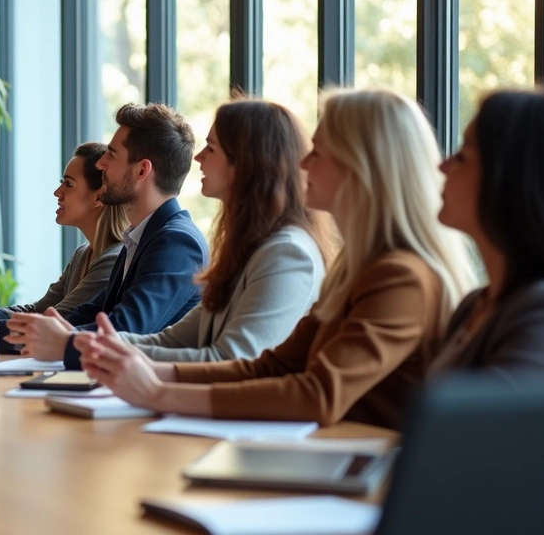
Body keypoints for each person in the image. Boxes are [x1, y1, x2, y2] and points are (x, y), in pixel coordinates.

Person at [78, 89, 476, 430]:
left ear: (362, 168)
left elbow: (318, 393)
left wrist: (157, 391)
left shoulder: (400, 275)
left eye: (319, 153)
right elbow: (270, 366)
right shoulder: (357, 270)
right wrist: (135, 369)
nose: (303, 163)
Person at [107, 99, 334, 368]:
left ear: (247, 163)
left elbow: (230, 359)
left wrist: (93, 349)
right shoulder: (249, 250)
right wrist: (82, 345)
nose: (199, 157)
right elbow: (169, 341)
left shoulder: (288, 253)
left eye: (211, 148)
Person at [6, 103, 208, 364]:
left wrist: (60, 340)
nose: (101, 164)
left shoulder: (178, 242)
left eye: (111, 155)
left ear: (142, 171)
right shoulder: (139, 238)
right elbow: (89, 314)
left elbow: (126, 328)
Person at [0, 142, 129, 338]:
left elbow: (59, 319)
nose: (57, 192)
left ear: (98, 197)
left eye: (68, 184)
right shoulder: (83, 253)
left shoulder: (114, 258)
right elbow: (37, 309)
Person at [431, 89, 544, 377]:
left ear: (507, 178)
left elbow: (505, 421)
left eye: (463, 156)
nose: (443, 165)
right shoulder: (473, 306)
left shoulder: (541, 310)